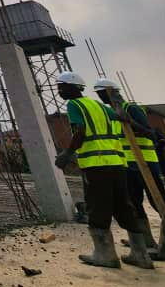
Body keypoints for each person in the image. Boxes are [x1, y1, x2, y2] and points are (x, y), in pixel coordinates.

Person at [53, 72, 152, 269]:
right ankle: (141, 254)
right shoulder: (98, 105)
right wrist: (147, 130)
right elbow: (122, 117)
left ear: (72, 87)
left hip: (96, 165)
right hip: (117, 164)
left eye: (61, 87)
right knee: (124, 206)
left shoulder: (74, 105)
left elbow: (80, 131)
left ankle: (105, 254)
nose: (59, 91)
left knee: (97, 207)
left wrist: (67, 153)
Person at [94, 78, 165, 250]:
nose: (100, 97)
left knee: (158, 200)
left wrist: (131, 122)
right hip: (127, 165)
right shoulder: (113, 113)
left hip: (145, 163)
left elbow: (150, 134)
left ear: (111, 92)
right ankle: (145, 239)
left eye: (102, 93)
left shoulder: (131, 109)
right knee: (133, 203)